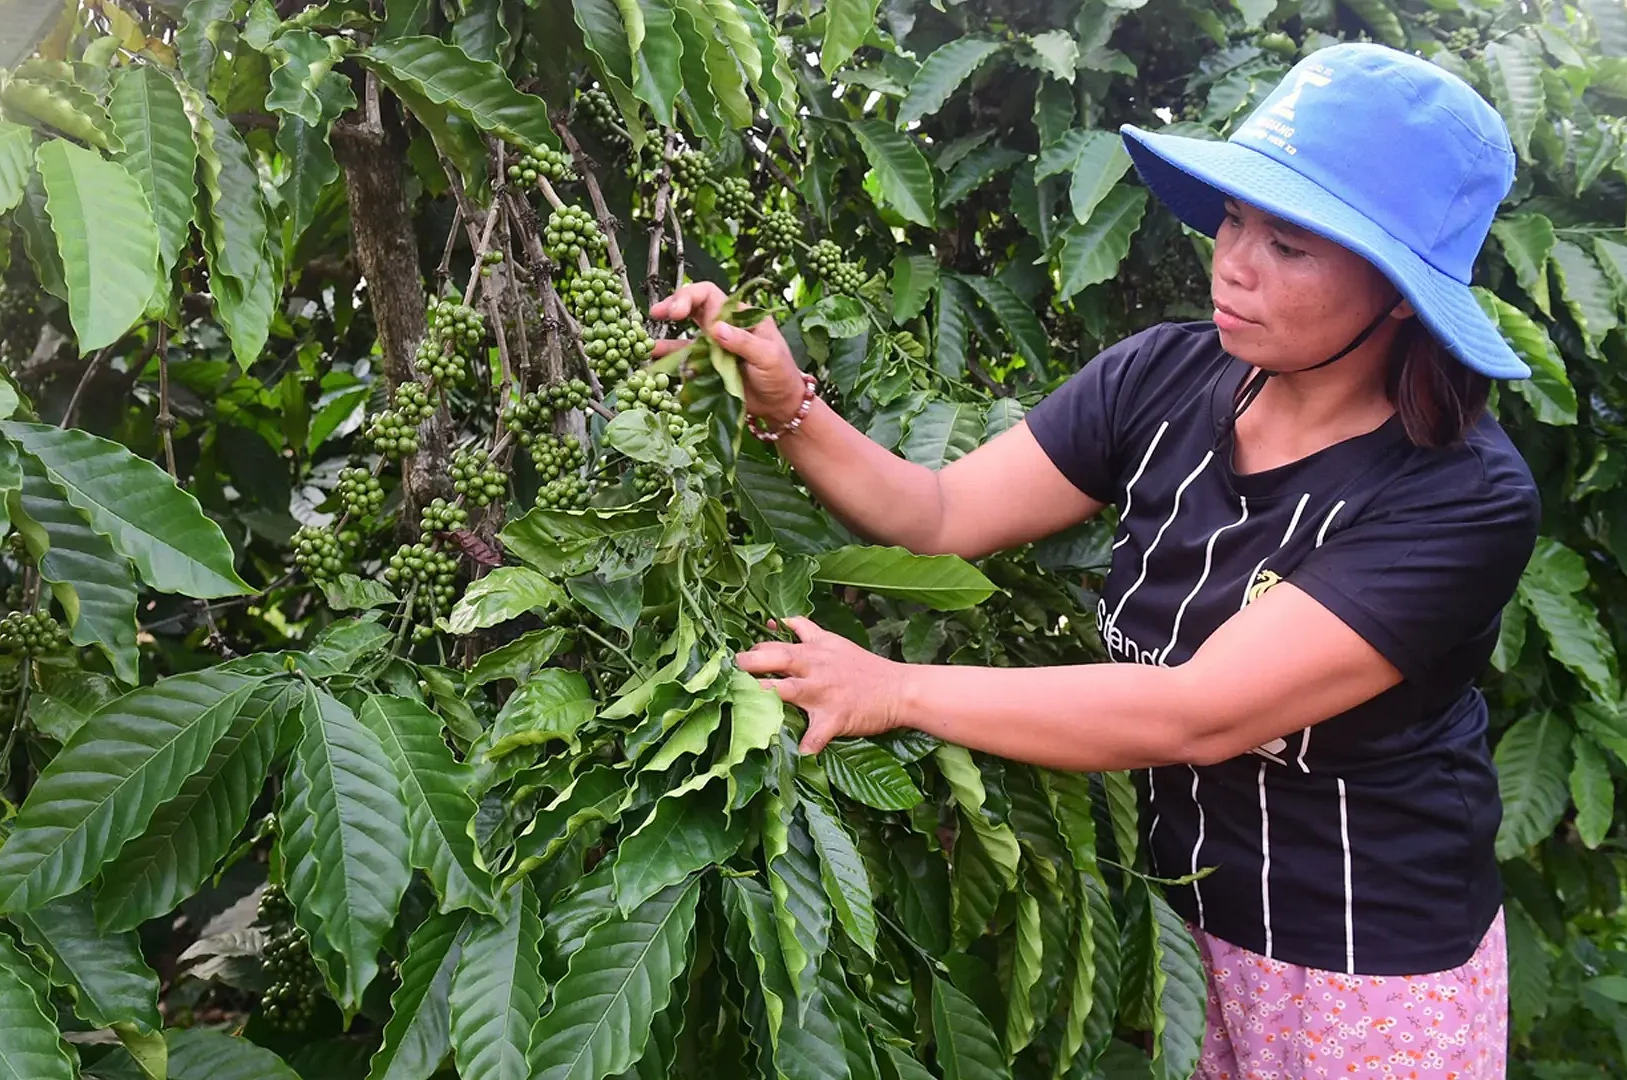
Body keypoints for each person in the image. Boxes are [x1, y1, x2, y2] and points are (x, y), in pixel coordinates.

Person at [650, 42, 1537, 1079]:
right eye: (1234, 219)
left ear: (1399, 294)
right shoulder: (1164, 376)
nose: (1235, 263)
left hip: (1364, 969)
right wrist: (787, 404)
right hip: (1182, 930)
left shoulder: (1458, 496)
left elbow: (1198, 712)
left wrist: (894, 689)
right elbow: (939, 512)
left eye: (1290, 246)